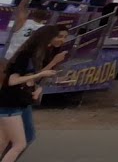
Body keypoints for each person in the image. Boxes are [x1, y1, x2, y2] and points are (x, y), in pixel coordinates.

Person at [0, 24, 69, 162]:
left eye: (65, 37)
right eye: (59, 36)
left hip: (19, 102)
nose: (63, 40)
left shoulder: (42, 53)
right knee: (19, 143)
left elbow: (34, 78)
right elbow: (13, 81)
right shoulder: (26, 55)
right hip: (10, 102)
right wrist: (47, 70)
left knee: (7, 140)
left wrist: (42, 85)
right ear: (48, 37)